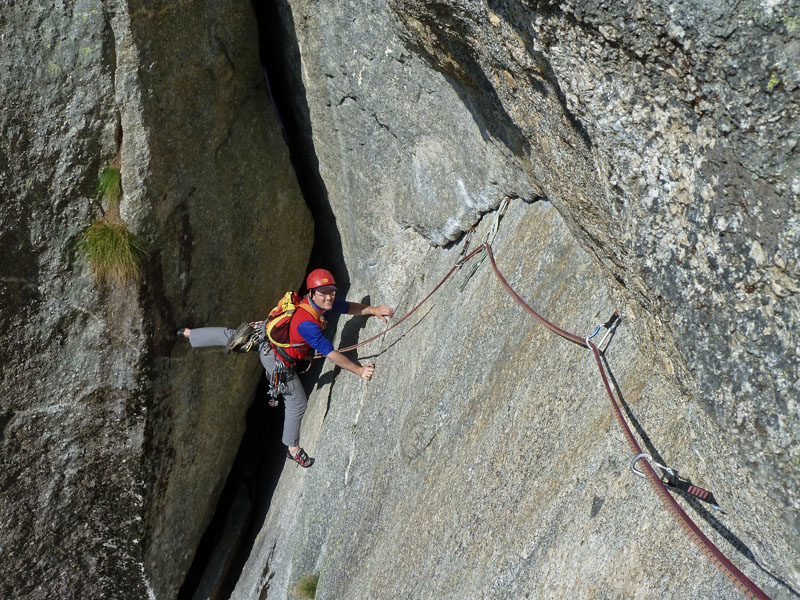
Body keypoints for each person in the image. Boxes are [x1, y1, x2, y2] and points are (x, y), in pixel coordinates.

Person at [177, 268, 395, 468]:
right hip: (276, 359)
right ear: (313, 293)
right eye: (324, 292)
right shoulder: (307, 324)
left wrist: (373, 310)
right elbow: (331, 354)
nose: (329, 296)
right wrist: (359, 370)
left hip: (266, 335)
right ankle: (292, 448)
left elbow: (347, 307)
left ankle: (189, 334)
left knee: (233, 335)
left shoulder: (318, 303)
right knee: (297, 402)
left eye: (332, 291)